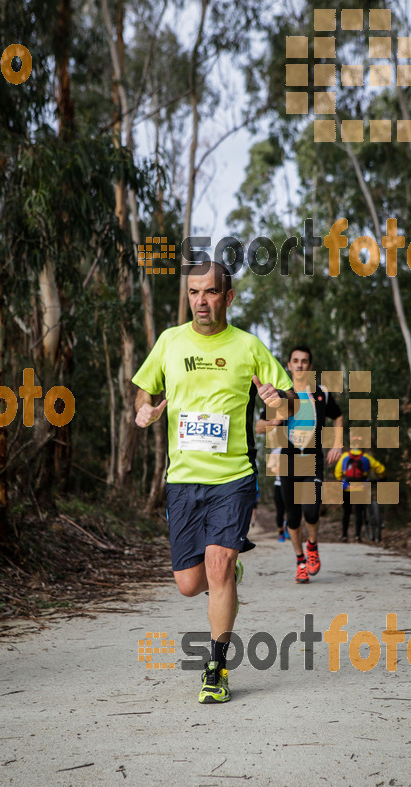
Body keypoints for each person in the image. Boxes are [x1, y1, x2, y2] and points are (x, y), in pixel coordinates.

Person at [133, 262, 295, 704]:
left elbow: (288, 399)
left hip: (233, 479)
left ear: (229, 296)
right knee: (190, 582)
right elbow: (144, 389)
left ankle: (216, 667)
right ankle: (225, 568)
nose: (201, 302)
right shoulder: (169, 342)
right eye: (193, 293)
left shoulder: (248, 347)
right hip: (183, 480)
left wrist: (276, 400)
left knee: (218, 565)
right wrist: (143, 410)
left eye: (209, 293)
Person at [256, 345, 343, 583]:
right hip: (287, 460)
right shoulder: (280, 395)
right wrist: (272, 424)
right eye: (295, 360)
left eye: (304, 361)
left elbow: (337, 415)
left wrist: (337, 444)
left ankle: (312, 545)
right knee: (292, 518)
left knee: (311, 511)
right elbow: (258, 426)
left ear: (310, 366)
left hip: (312, 457)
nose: (300, 365)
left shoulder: (321, 393)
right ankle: (300, 561)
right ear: (289, 365)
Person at [335, 437, 386, 542]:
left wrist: (342, 480)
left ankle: (344, 535)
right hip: (361, 488)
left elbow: (337, 473)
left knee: (346, 512)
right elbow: (381, 469)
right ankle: (357, 536)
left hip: (347, 488)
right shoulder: (366, 457)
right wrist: (383, 477)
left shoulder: (344, 456)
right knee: (359, 512)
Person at [267, 447, 289, 541]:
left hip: (290, 484)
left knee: (291, 509)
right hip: (279, 484)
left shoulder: (294, 448)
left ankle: (289, 527)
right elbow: (270, 467)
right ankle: (280, 532)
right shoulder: (276, 451)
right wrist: (276, 469)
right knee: (280, 511)